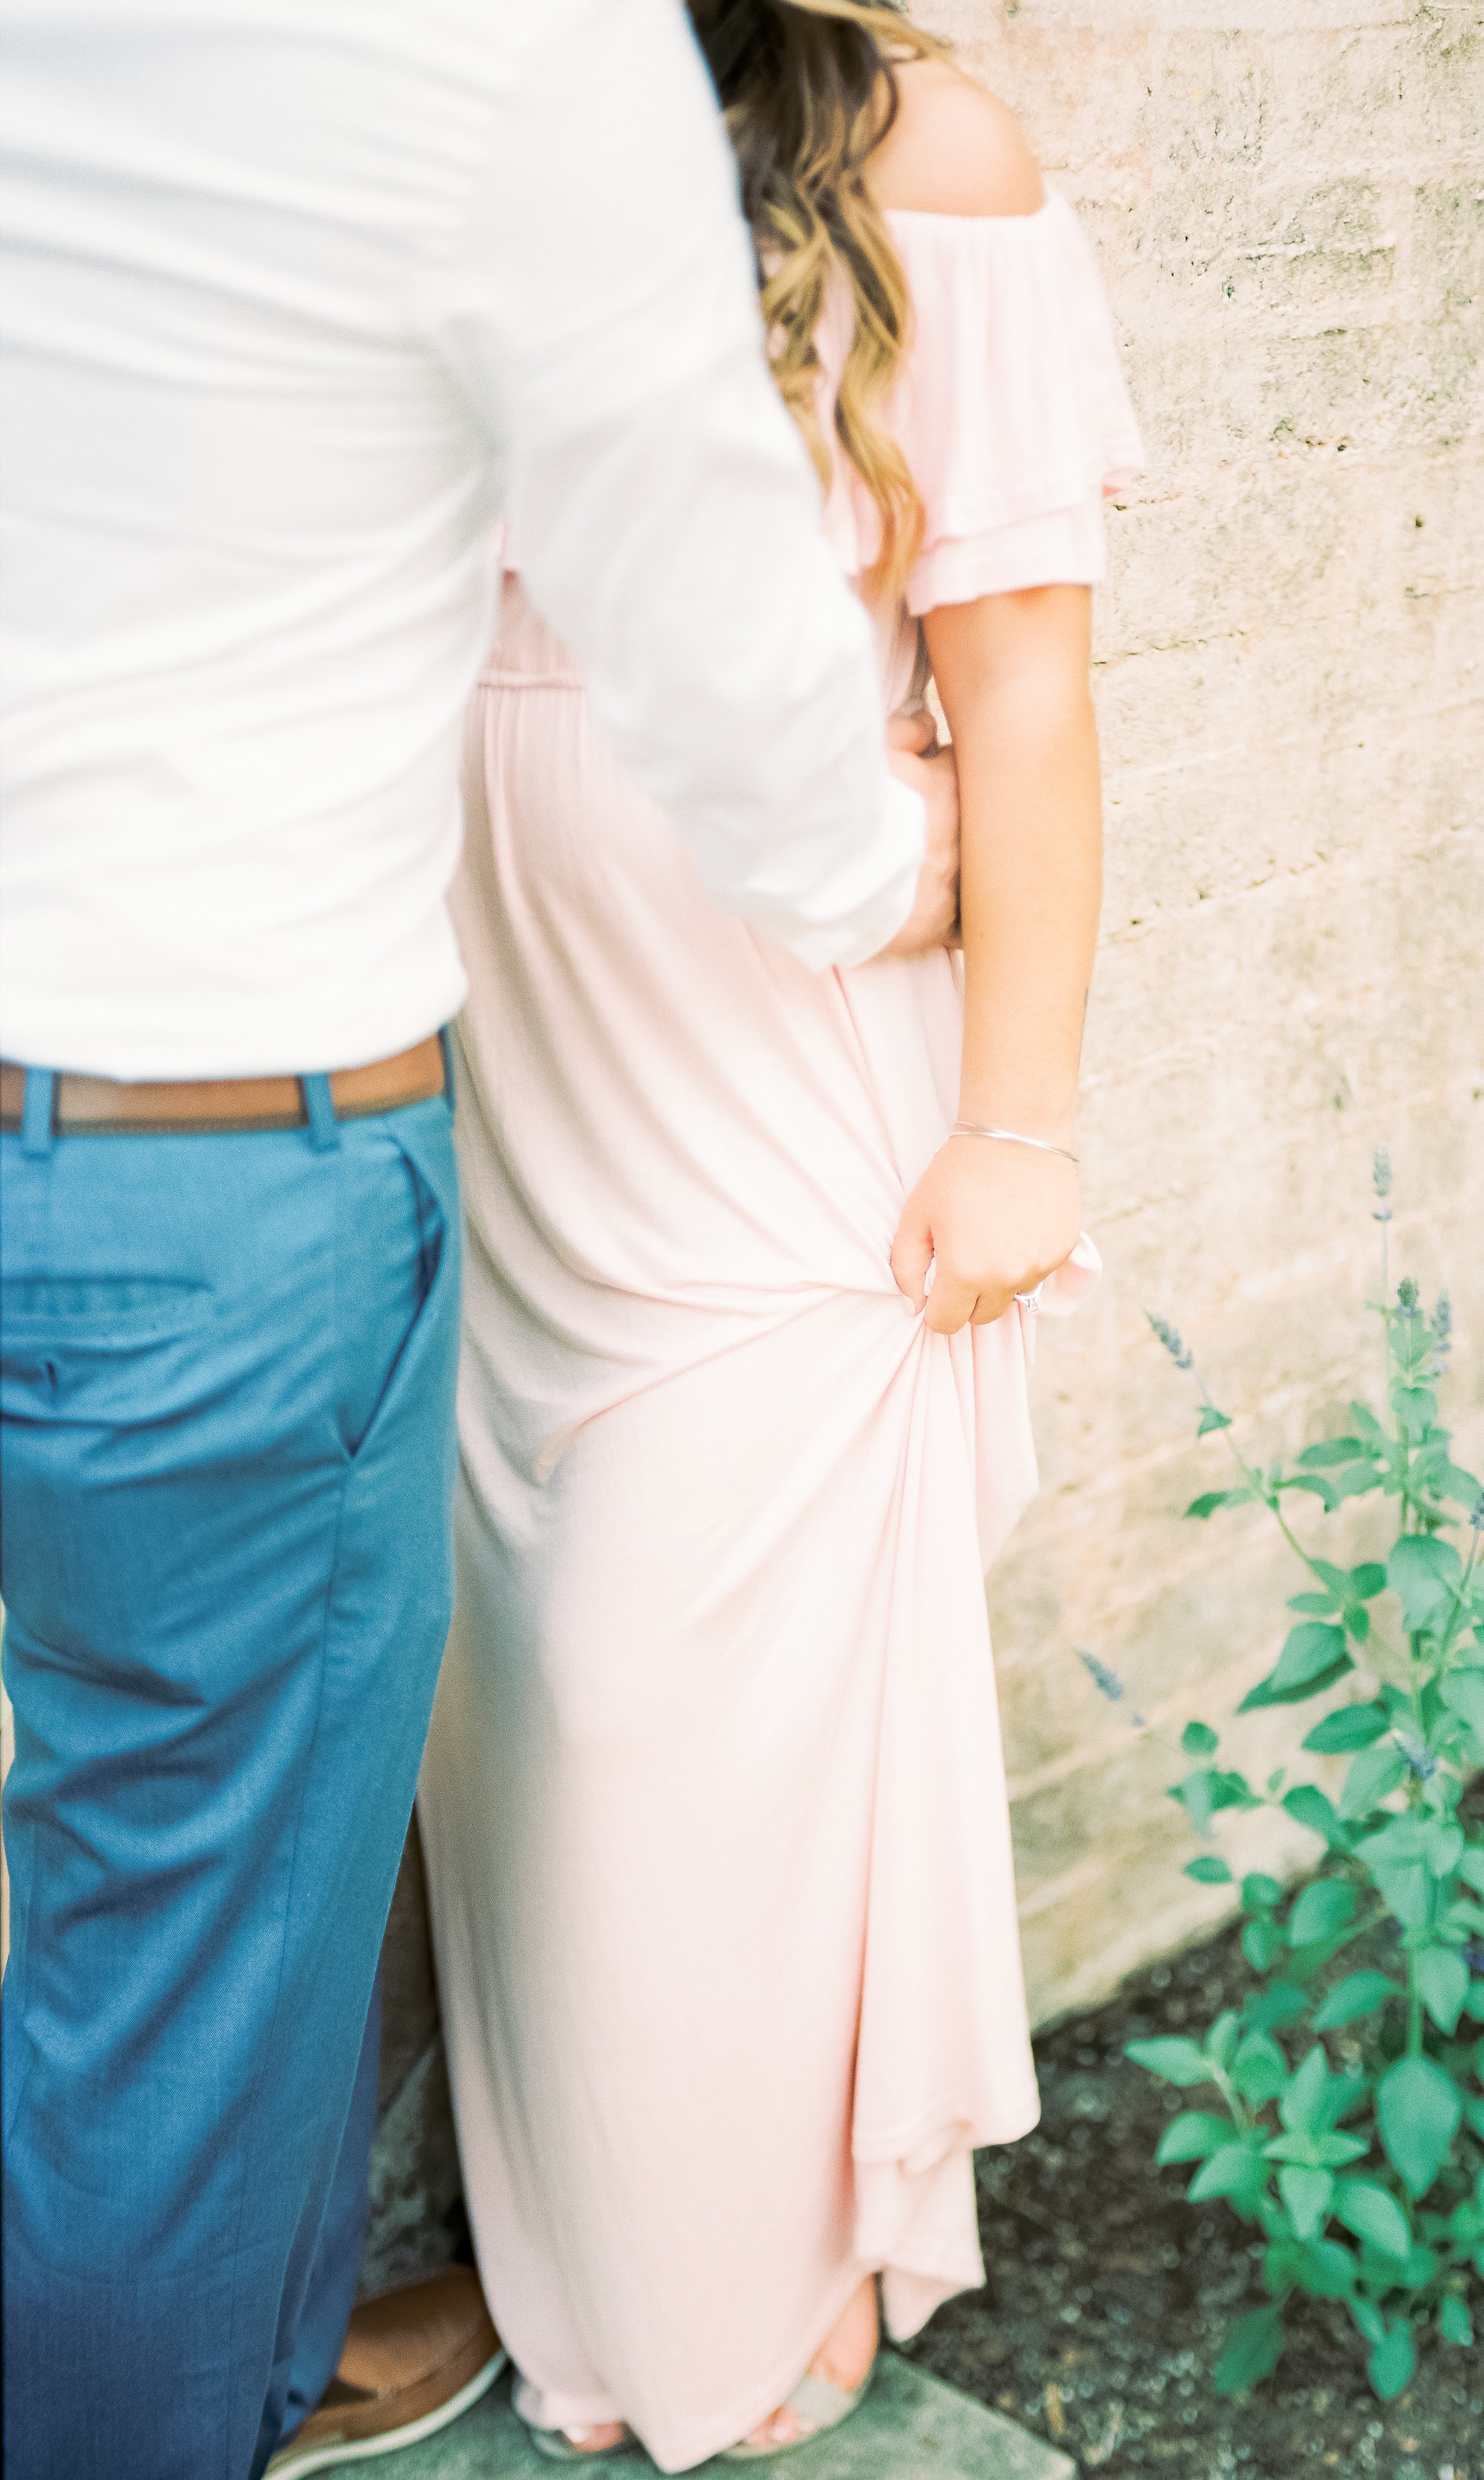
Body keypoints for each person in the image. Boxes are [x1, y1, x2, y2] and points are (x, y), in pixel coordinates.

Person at [0, 1, 963, 2473]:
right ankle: (171, 2394)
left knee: (206, 1867)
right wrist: (886, 872)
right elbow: (711, 621)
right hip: (214, 1166)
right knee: (174, 1934)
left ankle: (271, 2342)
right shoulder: (501, 50)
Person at [414, 2, 1143, 2464]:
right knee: (520, 1682)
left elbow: (1021, 686)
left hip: (774, 1070)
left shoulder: (927, 147)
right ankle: (622, 2271)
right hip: (507, 1057)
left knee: (677, 1680)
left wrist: (1018, 1130)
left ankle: (747, 2273)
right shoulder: (476, 107)